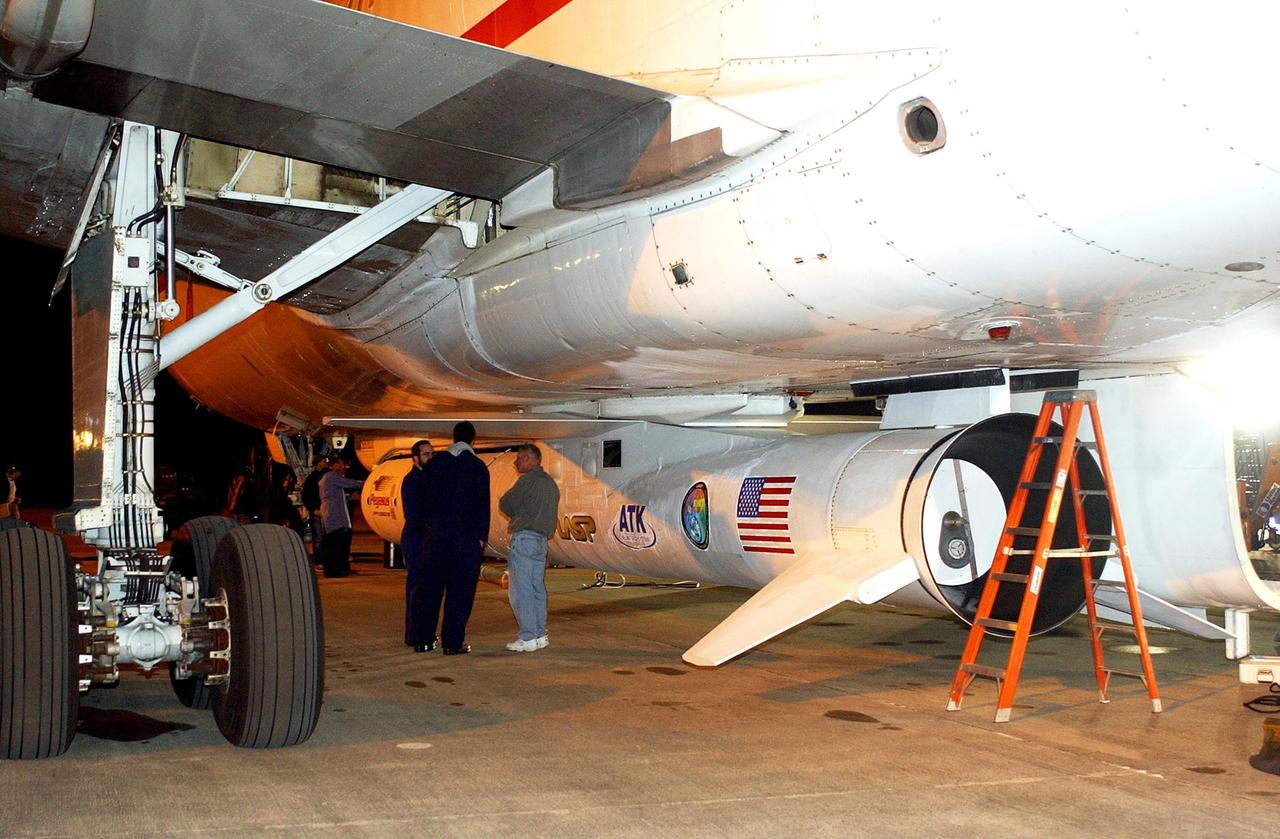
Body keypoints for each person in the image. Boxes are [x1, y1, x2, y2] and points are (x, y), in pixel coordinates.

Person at [421, 421, 490, 655]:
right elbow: (483, 507)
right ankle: (452, 642)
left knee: (430, 590)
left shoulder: (435, 464)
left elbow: (425, 501)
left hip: (437, 538)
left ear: (453, 437)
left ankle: (424, 639)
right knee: (459, 594)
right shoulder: (478, 467)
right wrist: (481, 537)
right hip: (465, 540)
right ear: (473, 440)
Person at [498, 443, 560, 652]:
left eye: (518, 458)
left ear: (527, 459)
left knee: (520, 590)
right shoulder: (551, 483)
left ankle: (527, 638)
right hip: (541, 541)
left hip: (524, 539)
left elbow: (505, 504)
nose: (516, 462)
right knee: (537, 589)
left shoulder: (526, 481)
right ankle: (540, 634)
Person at [401, 440, 436, 651]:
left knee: (427, 587)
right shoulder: (414, 480)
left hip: (426, 537)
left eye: (432, 454)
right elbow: (414, 515)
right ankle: (414, 634)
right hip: (417, 538)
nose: (430, 458)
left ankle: (423, 632)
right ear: (415, 458)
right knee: (417, 587)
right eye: (426, 455)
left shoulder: (428, 478)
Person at [318, 457, 363, 578]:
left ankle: (336, 570)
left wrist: (350, 498)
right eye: (341, 464)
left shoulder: (328, 479)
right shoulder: (331, 477)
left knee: (334, 545)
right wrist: (365, 483)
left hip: (334, 516)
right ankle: (336, 570)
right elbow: (349, 483)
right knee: (336, 545)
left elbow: (337, 496)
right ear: (335, 465)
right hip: (335, 517)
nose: (343, 467)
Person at [301, 454, 331, 560]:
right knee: (318, 537)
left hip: (327, 512)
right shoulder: (311, 479)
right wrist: (314, 510)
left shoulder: (328, 476)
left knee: (327, 537)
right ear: (318, 463)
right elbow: (306, 496)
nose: (326, 463)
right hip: (317, 512)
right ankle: (319, 560)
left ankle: (326, 558)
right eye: (324, 461)